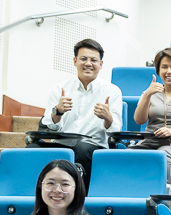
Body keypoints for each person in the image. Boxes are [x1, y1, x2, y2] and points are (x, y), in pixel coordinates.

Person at [37, 38, 121, 189]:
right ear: (75, 61)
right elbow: (48, 126)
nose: (88, 63)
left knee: (82, 148)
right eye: (83, 59)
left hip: (92, 146)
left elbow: (115, 132)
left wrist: (108, 118)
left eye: (93, 60)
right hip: (61, 144)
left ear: (101, 64)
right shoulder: (60, 89)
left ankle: (82, 197)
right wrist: (58, 112)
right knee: (32, 148)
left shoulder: (112, 91)